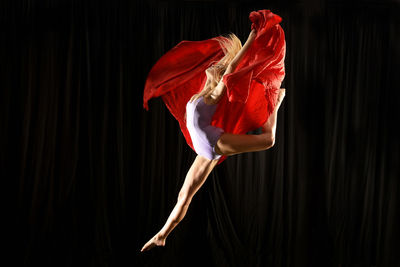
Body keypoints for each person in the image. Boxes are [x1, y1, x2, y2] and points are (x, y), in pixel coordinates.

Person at [141, 9, 286, 252]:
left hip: (211, 143)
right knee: (184, 196)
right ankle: (162, 236)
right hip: (203, 148)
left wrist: (252, 36)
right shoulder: (201, 91)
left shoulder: (213, 94)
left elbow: (231, 70)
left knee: (268, 140)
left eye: (216, 67)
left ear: (219, 75)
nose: (212, 66)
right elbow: (223, 66)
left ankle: (276, 103)